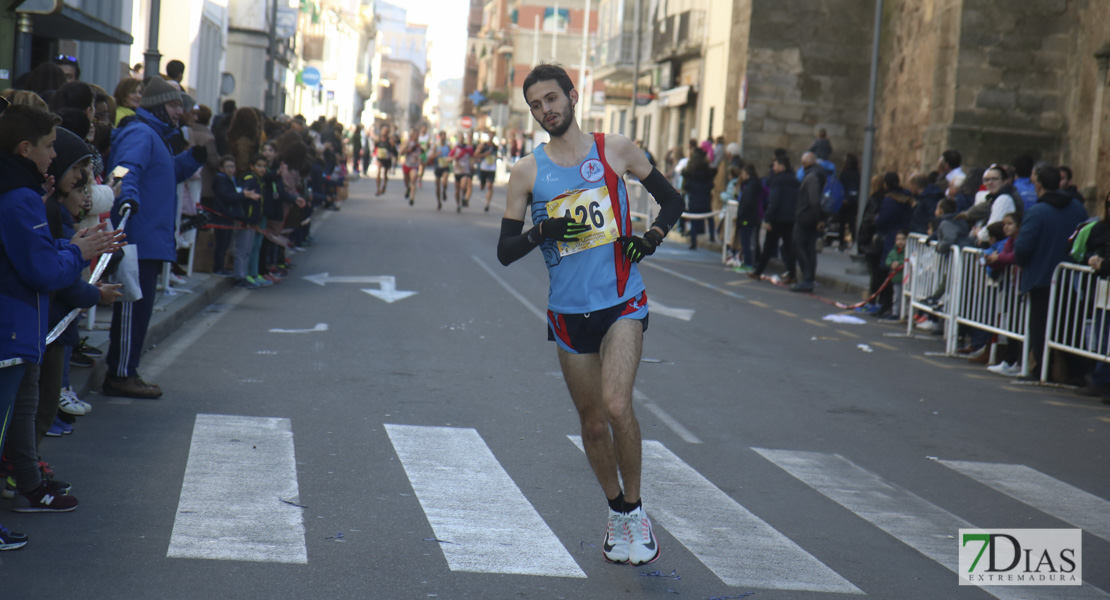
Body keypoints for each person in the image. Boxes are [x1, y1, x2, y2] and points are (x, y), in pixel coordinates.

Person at [496, 63, 684, 567]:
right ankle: (617, 513)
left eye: (552, 98)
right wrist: (543, 233)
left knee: (617, 406)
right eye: (536, 105)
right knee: (594, 422)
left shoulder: (615, 149)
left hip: (623, 301)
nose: (546, 110)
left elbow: (672, 198)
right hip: (568, 314)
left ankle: (638, 511)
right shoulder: (527, 172)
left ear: (573, 96)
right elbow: (505, 250)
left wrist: (653, 238)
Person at [0, 106, 122, 537]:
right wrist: (78, 251)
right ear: (24, 148)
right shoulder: (17, 199)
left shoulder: (23, 194)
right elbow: (43, 270)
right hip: (11, 328)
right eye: (49, 146)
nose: (53, 155)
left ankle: (29, 484)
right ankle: (26, 486)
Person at [102, 76, 205, 399]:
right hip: (137, 236)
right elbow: (123, 170)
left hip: (148, 236)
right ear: (159, 106)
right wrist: (126, 197)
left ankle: (127, 370)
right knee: (133, 307)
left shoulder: (154, 135)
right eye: (175, 105)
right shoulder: (141, 133)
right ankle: (120, 374)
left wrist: (194, 158)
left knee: (140, 309)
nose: (180, 112)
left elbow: (165, 173)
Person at [1015, 166, 1088, 378]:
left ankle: (1040, 369)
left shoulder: (1037, 211)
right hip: (1071, 278)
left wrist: (1022, 262)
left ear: (1038, 184)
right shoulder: (1078, 208)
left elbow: (1023, 247)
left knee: (1040, 328)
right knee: (1070, 327)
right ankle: (1076, 374)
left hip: (1041, 277)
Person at [750, 155, 799, 283]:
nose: (773, 167)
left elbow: (774, 201)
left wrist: (768, 218)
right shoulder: (794, 180)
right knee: (788, 247)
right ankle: (792, 275)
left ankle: (758, 272)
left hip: (777, 218)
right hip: (790, 218)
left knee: (768, 246)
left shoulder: (777, 181)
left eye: (775, 165)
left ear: (782, 166)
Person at [792, 152, 827, 292]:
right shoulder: (817, 174)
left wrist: (819, 218)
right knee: (808, 247)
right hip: (811, 216)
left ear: (804, 164)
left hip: (806, 216)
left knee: (798, 245)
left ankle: (807, 278)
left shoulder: (811, 177)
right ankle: (809, 278)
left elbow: (813, 200)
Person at [681, 148, 716, 249]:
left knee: (694, 222)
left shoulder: (692, 175)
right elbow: (711, 184)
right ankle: (712, 236)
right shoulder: (708, 176)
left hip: (694, 201)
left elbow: (687, 186)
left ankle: (693, 242)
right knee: (710, 219)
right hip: (705, 201)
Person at [885, 231, 908, 321]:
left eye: (903, 239)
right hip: (896, 279)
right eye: (898, 239)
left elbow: (908, 261)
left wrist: (900, 264)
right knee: (896, 297)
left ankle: (906, 314)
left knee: (906, 298)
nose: (900, 242)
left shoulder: (907, 251)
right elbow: (887, 261)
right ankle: (895, 313)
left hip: (905, 279)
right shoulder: (893, 251)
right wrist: (891, 264)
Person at [450, 132, 475, 212]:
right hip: (457, 170)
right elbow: (449, 157)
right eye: (459, 138)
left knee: (463, 186)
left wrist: (472, 164)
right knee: (457, 190)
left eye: (462, 138)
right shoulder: (455, 148)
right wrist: (454, 158)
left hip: (465, 170)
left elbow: (472, 156)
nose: (461, 139)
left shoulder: (468, 148)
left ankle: (464, 198)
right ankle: (458, 204)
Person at [475, 133, 498, 211]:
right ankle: (482, 184)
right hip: (484, 168)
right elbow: (476, 154)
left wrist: (496, 157)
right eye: (490, 135)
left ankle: (487, 203)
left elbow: (496, 155)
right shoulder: (483, 145)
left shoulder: (495, 146)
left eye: (493, 136)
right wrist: (485, 154)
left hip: (492, 168)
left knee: (490, 186)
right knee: (482, 187)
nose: (491, 137)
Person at [429, 131, 451, 210]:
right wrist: (437, 154)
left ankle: (444, 191)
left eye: (445, 136)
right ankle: (439, 202)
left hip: (445, 166)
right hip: (438, 167)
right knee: (437, 186)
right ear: (440, 137)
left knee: (445, 181)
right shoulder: (436, 146)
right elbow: (431, 156)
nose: (443, 138)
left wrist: (450, 159)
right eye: (442, 136)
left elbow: (451, 155)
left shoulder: (448, 146)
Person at [373, 124, 396, 196]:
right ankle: (378, 188)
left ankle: (384, 185)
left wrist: (392, 154)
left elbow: (394, 149)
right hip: (380, 158)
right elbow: (375, 146)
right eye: (383, 131)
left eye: (386, 131)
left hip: (387, 159)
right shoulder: (378, 138)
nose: (384, 132)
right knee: (378, 172)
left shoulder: (390, 140)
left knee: (385, 174)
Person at [401, 129, 422, 205]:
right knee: (407, 183)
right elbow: (401, 152)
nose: (417, 136)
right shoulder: (407, 142)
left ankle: (412, 198)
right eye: (416, 135)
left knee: (413, 180)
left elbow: (422, 152)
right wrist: (407, 149)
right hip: (407, 164)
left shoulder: (419, 144)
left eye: (417, 135)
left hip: (414, 166)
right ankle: (408, 188)